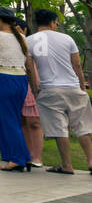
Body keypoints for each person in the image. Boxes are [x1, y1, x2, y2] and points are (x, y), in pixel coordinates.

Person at [27, 9, 92, 175]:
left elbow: (29, 67)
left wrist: (35, 89)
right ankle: (91, 161)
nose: (56, 25)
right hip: (72, 88)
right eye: (56, 23)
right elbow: (76, 65)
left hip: (49, 90)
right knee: (82, 127)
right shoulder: (67, 38)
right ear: (51, 22)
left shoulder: (29, 41)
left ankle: (67, 165)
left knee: (59, 128)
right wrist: (82, 86)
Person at [0, 6, 37, 172]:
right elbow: (26, 60)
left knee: (7, 121)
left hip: (4, 78)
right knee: (14, 120)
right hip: (21, 80)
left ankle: (16, 159)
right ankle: (24, 157)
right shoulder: (21, 36)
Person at [15, 18, 45, 167]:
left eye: (18, 29)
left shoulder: (33, 43)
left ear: (25, 30)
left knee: (34, 122)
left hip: (32, 86)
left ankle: (37, 157)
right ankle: (27, 155)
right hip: (17, 85)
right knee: (22, 122)